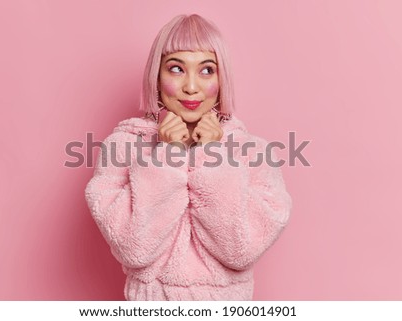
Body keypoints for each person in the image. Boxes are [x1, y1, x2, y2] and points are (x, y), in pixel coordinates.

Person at [85, 14, 292, 301]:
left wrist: (212, 154)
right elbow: (135, 249)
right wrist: (167, 155)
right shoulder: (122, 148)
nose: (191, 87)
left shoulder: (253, 154)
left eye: (207, 70)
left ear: (222, 80)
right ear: (156, 78)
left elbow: (239, 251)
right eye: (176, 69)